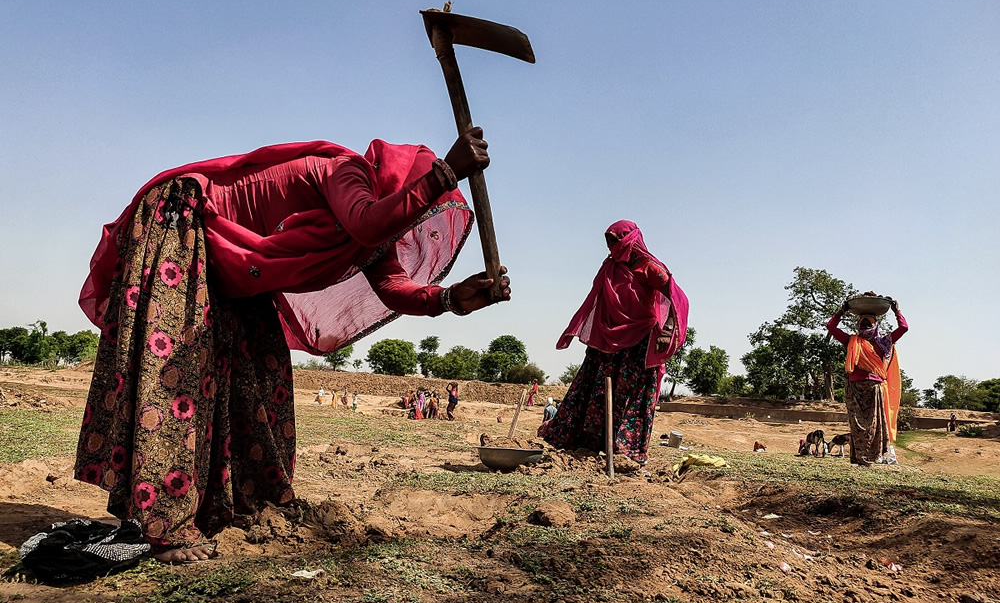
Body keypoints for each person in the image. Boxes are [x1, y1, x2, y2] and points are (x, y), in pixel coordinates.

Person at [74, 127, 511, 563]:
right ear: (402, 181)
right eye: (414, 202)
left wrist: (451, 299)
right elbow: (367, 221)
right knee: (181, 369)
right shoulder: (347, 172)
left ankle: (250, 502)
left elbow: (394, 284)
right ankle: (162, 522)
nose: (410, 221)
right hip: (187, 218)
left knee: (261, 370)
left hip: (238, 265)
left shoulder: (373, 232)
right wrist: (447, 173)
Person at [538, 221, 688, 464]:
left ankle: (625, 450)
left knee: (631, 395)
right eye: (608, 240)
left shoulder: (650, 267)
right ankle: (588, 443)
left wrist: (667, 329)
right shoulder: (610, 266)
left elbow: (677, 297)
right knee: (596, 390)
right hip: (607, 342)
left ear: (630, 239)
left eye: (615, 240)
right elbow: (595, 299)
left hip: (639, 342)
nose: (610, 246)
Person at [826, 296, 907, 466]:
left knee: (874, 425)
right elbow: (831, 327)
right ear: (857, 326)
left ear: (875, 325)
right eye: (862, 324)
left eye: (868, 324)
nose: (864, 327)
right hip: (854, 388)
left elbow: (904, 328)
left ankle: (874, 457)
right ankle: (860, 458)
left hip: (873, 388)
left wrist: (896, 311)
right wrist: (842, 310)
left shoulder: (884, 342)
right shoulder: (852, 341)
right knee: (857, 425)